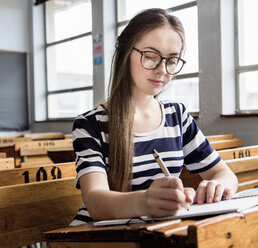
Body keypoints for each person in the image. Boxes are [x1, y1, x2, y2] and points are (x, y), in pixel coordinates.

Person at [70, 8, 238, 226]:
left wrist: (218, 185)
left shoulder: (177, 116)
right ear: (124, 53)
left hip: (156, 232)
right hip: (96, 237)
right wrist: (145, 202)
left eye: (171, 60)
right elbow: (96, 202)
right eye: (150, 57)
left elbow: (226, 175)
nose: (162, 70)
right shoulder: (89, 124)